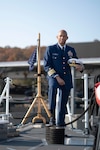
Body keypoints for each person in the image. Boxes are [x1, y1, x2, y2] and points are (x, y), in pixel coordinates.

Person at [43, 29, 84, 126]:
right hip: (54, 78)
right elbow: (47, 66)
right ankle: (52, 120)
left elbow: (76, 62)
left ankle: (60, 124)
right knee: (52, 97)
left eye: (64, 36)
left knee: (63, 103)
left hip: (66, 79)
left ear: (67, 38)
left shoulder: (71, 50)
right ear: (57, 37)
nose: (62, 37)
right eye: (60, 36)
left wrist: (80, 67)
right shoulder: (51, 49)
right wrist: (56, 77)